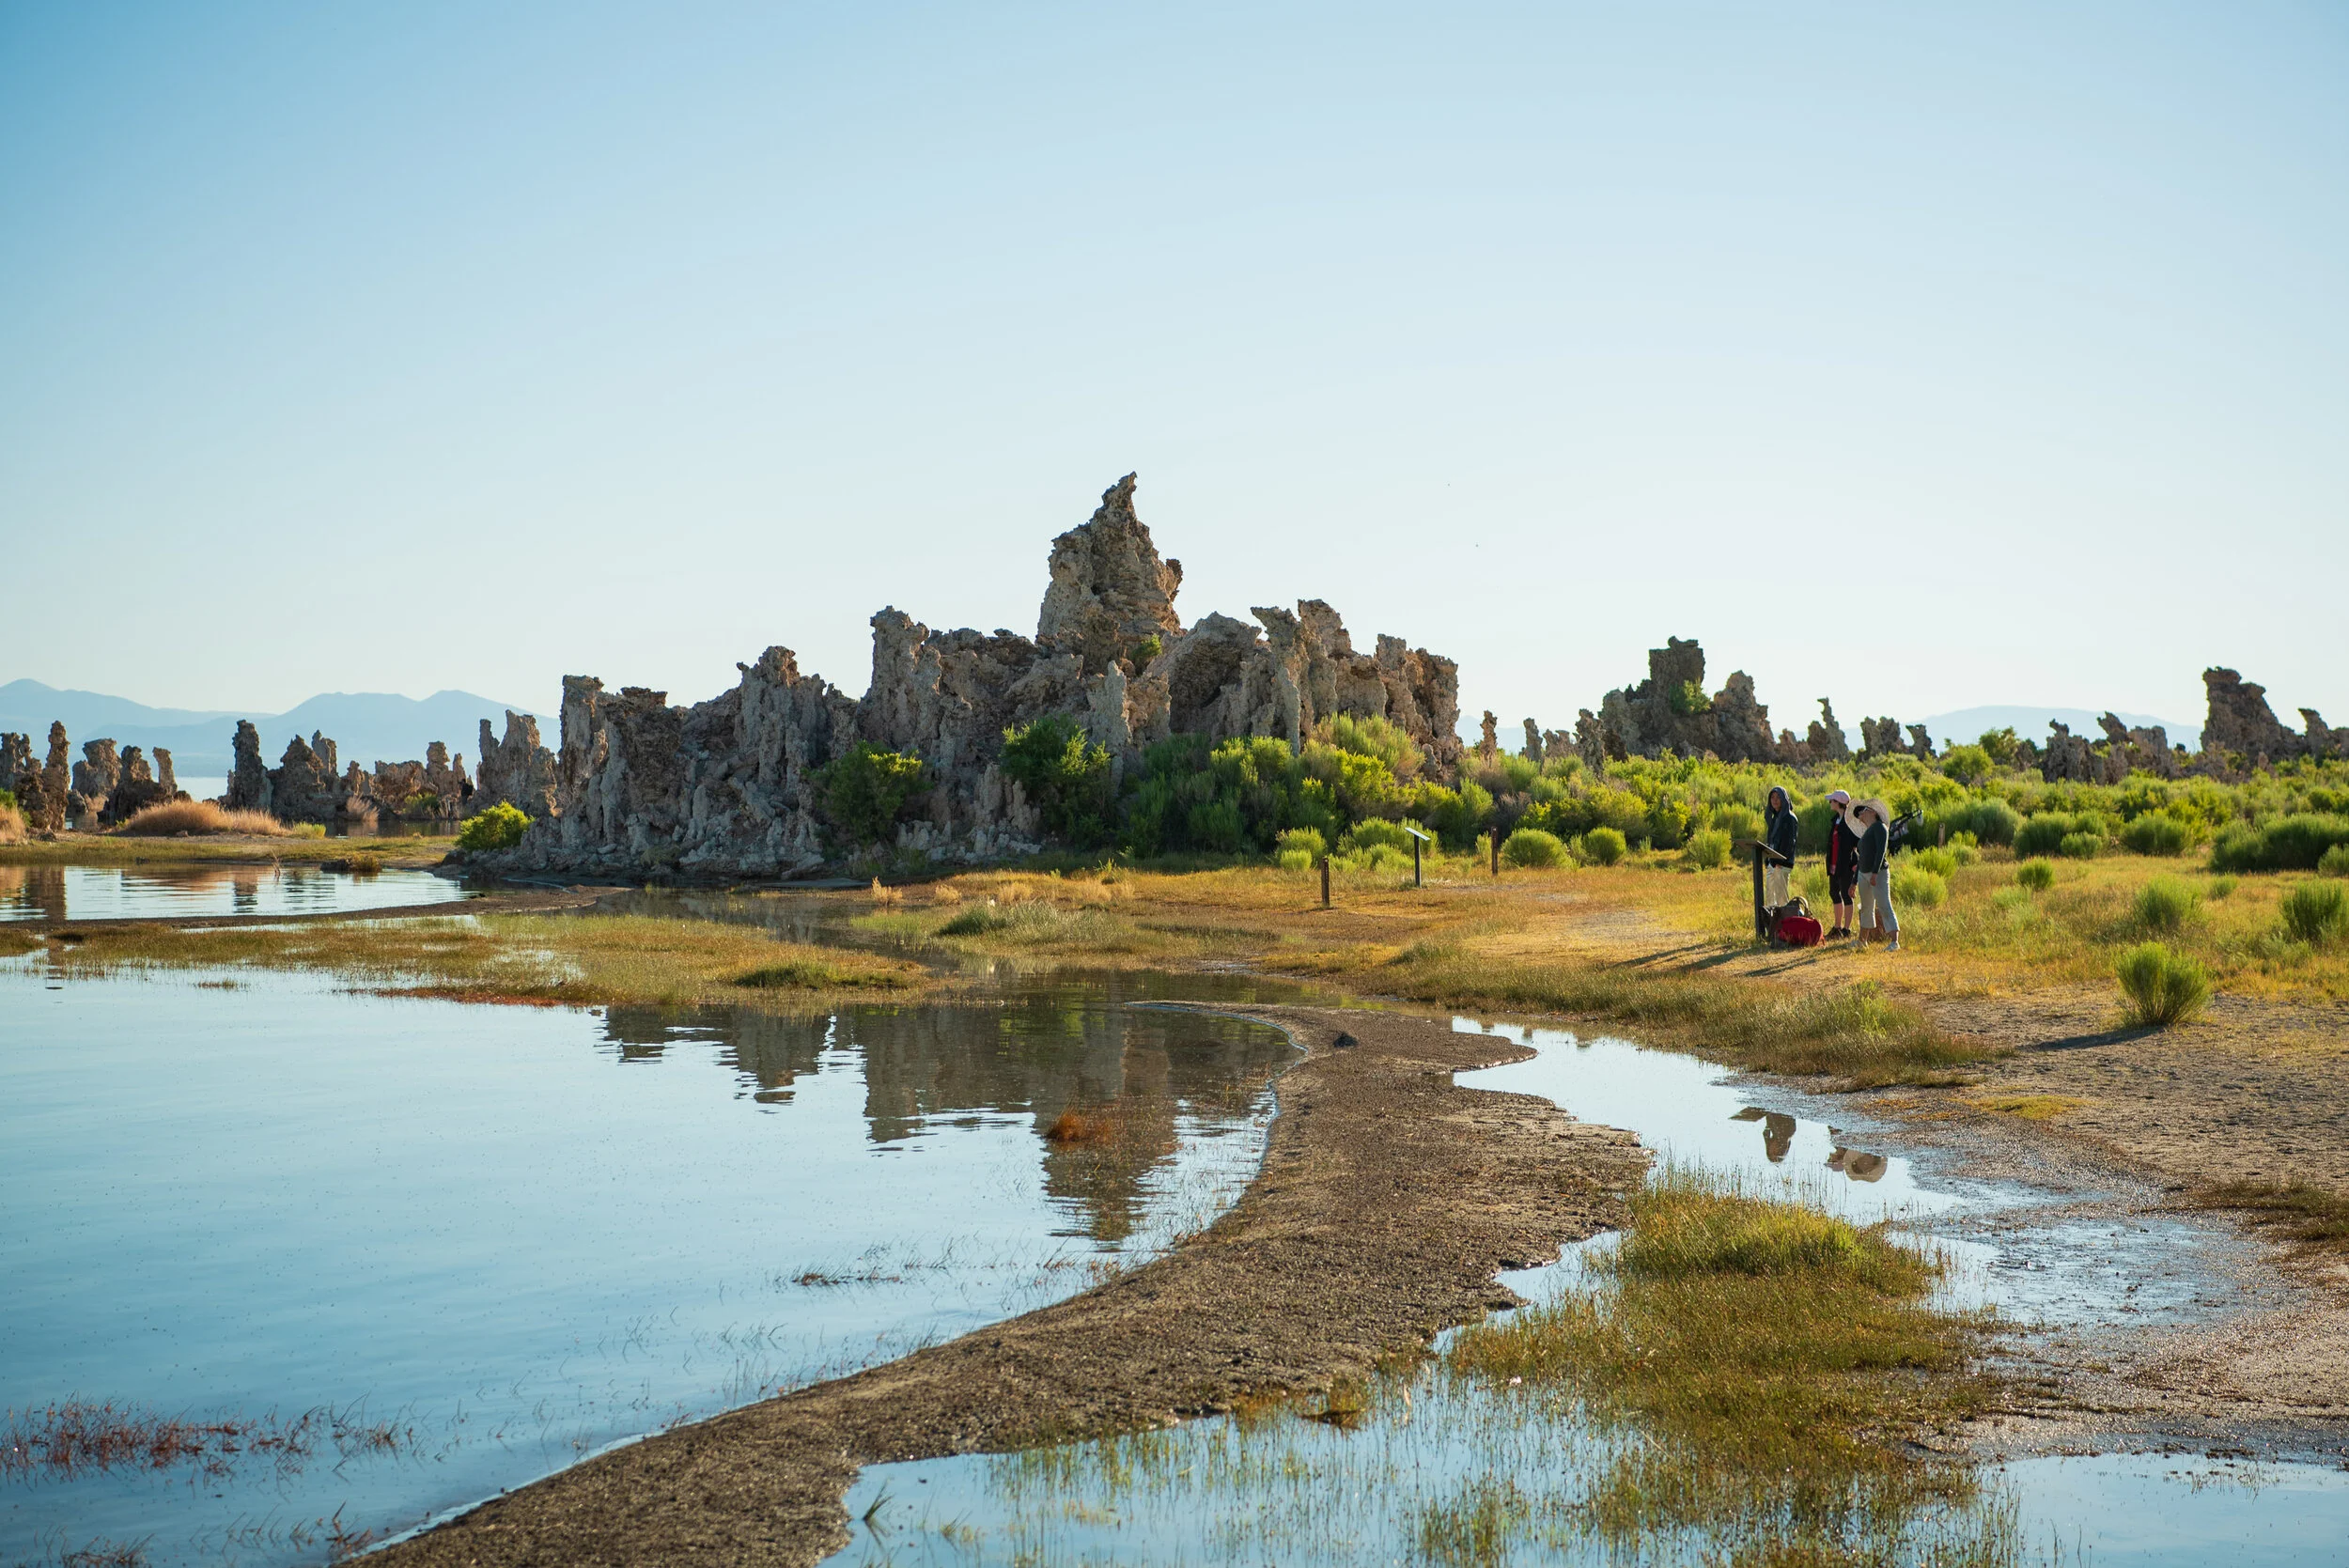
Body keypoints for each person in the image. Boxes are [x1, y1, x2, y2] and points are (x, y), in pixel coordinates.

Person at [1851, 798, 1899, 951]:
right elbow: (1861, 858)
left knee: (1884, 904)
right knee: (1866, 907)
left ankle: (1894, 941)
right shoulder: (1866, 833)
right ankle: (1862, 941)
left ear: (1872, 811)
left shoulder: (1880, 828)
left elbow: (1881, 852)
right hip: (1864, 873)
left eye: (1862, 812)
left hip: (1877, 873)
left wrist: (1875, 873)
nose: (1859, 817)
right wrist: (1854, 882)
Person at [1823, 789, 1860, 939]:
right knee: (1834, 893)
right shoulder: (1836, 820)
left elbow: (1857, 844)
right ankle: (1837, 927)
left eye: (1832, 800)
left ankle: (1846, 929)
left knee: (1846, 895)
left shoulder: (1850, 822)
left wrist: (1854, 863)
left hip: (1845, 865)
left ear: (1839, 803)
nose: (1830, 802)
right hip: (1834, 864)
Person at [1762, 785, 1798, 910]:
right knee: (1770, 900)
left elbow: (1789, 844)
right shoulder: (1775, 818)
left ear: (1784, 799)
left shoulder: (1790, 818)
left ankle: (1784, 927)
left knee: (1781, 900)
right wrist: (1768, 860)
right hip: (1772, 863)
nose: (1775, 800)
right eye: (1772, 797)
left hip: (1782, 865)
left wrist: (1779, 861)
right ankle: (1772, 927)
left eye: (1778, 797)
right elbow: (1771, 841)